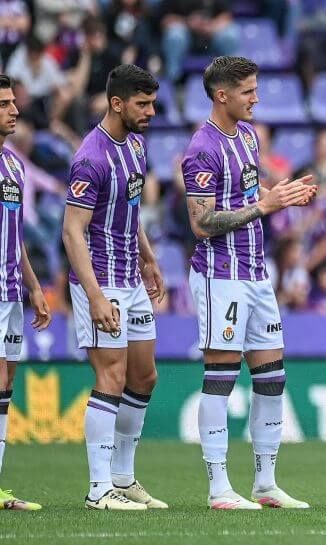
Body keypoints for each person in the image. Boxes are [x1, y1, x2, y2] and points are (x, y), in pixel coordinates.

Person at [181, 56, 317, 510]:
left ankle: (265, 484)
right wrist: (267, 206)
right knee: (221, 377)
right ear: (223, 95)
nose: (256, 98)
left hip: (257, 274)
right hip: (220, 275)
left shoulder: (248, 136)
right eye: (248, 91)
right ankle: (219, 488)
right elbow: (201, 223)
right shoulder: (202, 148)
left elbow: (248, 194)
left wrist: (283, 196)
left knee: (272, 378)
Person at [61, 65, 167, 510]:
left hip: (130, 276)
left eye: (152, 103)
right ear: (116, 103)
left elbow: (131, 208)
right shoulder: (91, 157)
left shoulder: (137, 147)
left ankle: (123, 478)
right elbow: (72, 231)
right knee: (112, 376)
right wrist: (96, 296)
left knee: (144, 376)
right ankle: (98, 490)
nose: (151, 111)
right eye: (142, 104)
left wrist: (147, 255)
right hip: (101, 281)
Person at [0, 73, 52, 511]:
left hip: (11, 292)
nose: (14, 110)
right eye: (3, 104)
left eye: (13, 102)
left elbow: (14, 234)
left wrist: (33, 285)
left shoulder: (14, 164)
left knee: (5, 383)